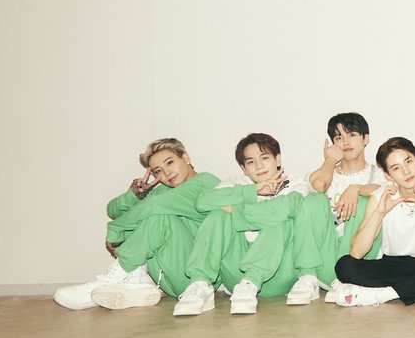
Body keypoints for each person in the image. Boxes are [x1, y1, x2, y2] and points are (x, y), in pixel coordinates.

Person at [54, 138, 218, 310]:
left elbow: (152, 206)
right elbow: (113, 210)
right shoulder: (164, 191)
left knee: (158, 217)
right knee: (141, 216)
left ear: (185, 158)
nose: (167, 172)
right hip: (166, 277)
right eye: (158, 171)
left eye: (170, 162)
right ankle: (137, 281)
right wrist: (133, 196)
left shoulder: (206, 182)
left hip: (196, 280)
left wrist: (116, 229)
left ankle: (111, 280)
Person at [173, 133, 308, 316]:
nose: (259, 166)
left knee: (277, 218)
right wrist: (252, 191)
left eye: (264, 158)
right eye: (251, 162)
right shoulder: (238, 183)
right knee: (218, 215)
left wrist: (235, 210)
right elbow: (202, 202)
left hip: (279, 275)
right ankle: (200, 284)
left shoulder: (295, 184)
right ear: (244, 168)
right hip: (237, 280)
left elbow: (283, 209)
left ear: (277, 159)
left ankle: (252, 281)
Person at [333, 137, 415, 306]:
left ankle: (384, 294)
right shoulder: (380, 197)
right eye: (396, 168)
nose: (406, 172)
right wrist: (379, 213)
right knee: (344, 266)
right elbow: (357, 253)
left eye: (409, 161)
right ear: (387, 175)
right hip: (393, 265)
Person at [290, 112, 386, 305]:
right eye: (338, 137)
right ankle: (308, 276)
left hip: (357, 263)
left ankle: (346, 279)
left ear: (366, 138)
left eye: (352, 134)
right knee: (313, 200)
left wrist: (356, 188)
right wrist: (330, 161)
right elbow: (319, 186)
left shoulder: (379, 174)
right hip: (324, 261)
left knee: (366, 201)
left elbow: (386, 190)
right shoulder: (326, 173)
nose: (345, 142)